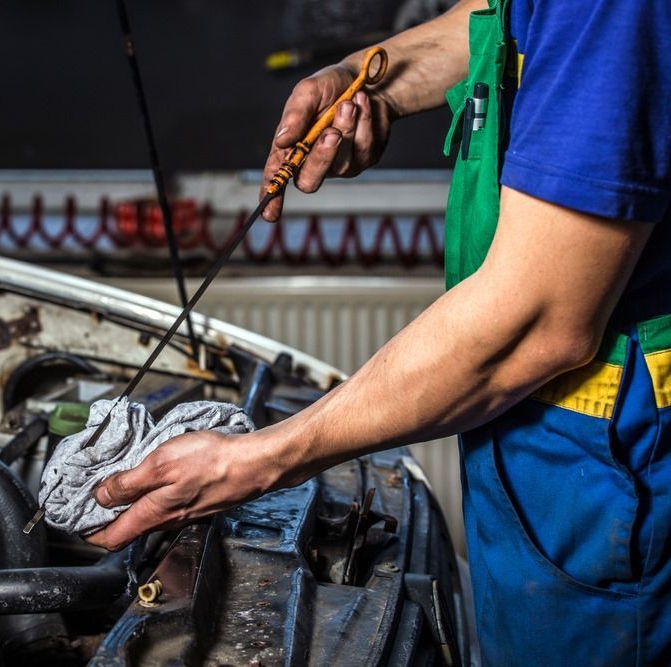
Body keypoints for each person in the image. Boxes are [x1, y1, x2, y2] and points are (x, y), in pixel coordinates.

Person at [87, 0, 671, 663]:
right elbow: (510, 15)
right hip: (543, 445)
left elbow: (537, 320)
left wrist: (257, 460)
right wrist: (372, 80)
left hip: (618, 468)